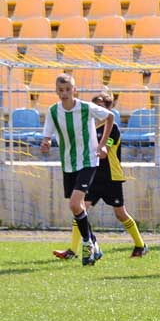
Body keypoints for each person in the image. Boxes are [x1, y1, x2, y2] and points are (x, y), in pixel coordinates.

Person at [52, 92, 147, 260]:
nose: (98, 110)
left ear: (108, 109)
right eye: (95, 106)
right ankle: (74, 250)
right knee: (80, 208)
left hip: (111, 177)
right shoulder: (87, 128)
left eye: (101, 107)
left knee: (120, 213)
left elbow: (104, 152)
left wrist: (100, 148)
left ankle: (140, 244)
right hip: (92, 176)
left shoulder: (113, 128)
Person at [40, 74, 114, 266]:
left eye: (68, 90)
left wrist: (102, 144)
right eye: (60, 90)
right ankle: (95, 245)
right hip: (68, 163)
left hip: (89, 160)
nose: (64, 93)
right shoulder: (53, 111)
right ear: (56, 91)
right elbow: (47, 135)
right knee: (78, 207)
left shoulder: (85, 107)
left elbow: (110, 116)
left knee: (74, 204)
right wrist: (46, 142)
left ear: (74, 90)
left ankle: (88, 244)